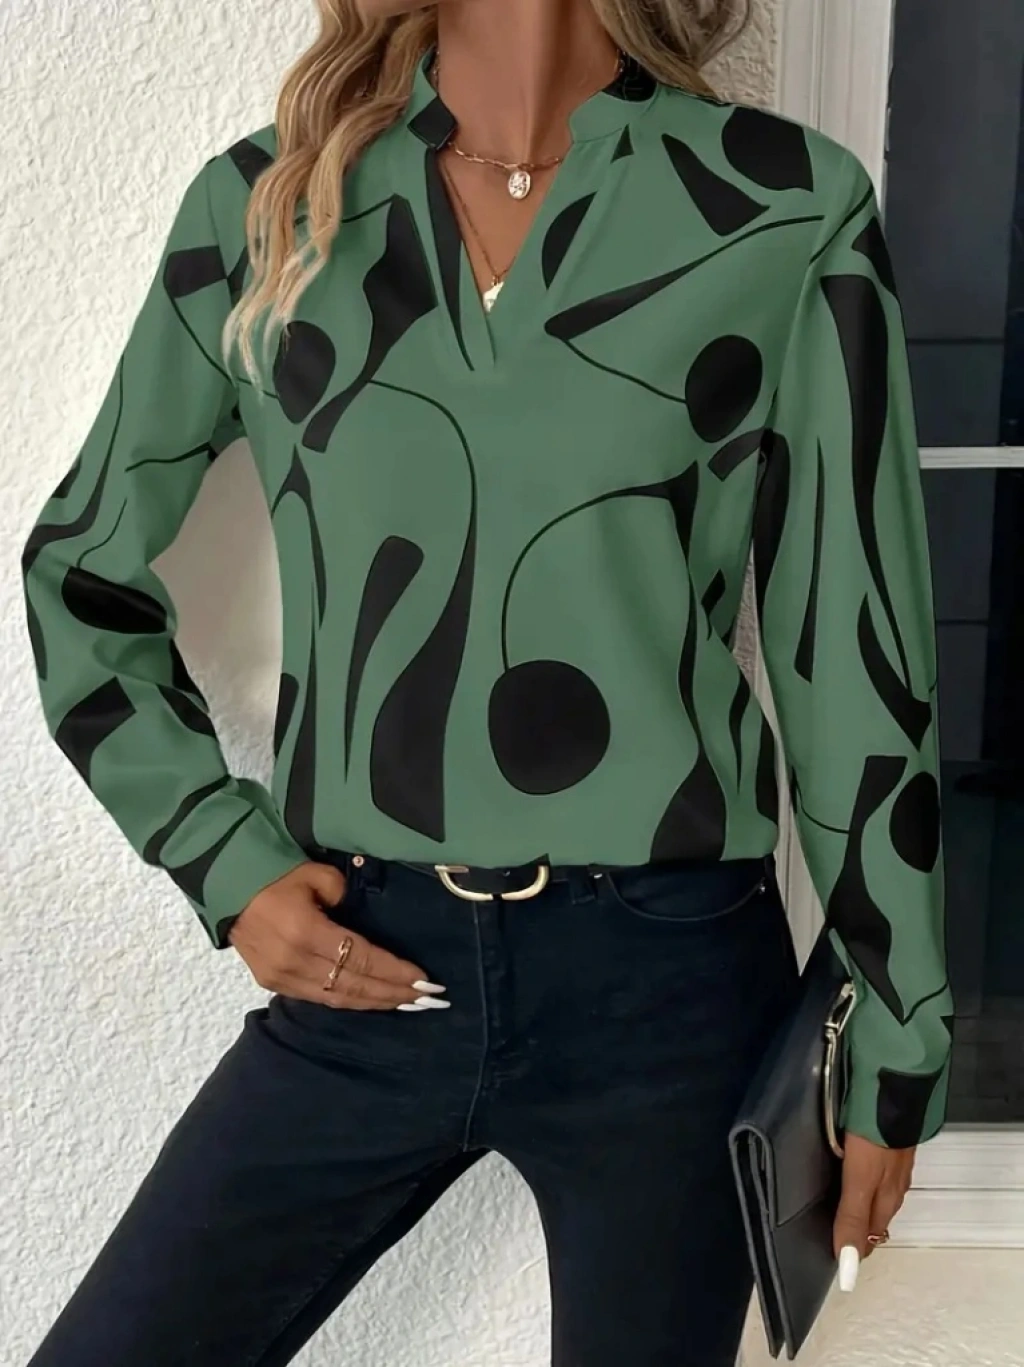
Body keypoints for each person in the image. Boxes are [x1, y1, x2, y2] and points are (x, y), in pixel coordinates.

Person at [19, 1, 953, 1363]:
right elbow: (80, 570)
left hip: (670, 989)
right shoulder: (272, 208)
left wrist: (901, 1027)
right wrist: (223, 859)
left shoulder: (780, 208)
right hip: (367, 958)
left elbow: (854, 648)